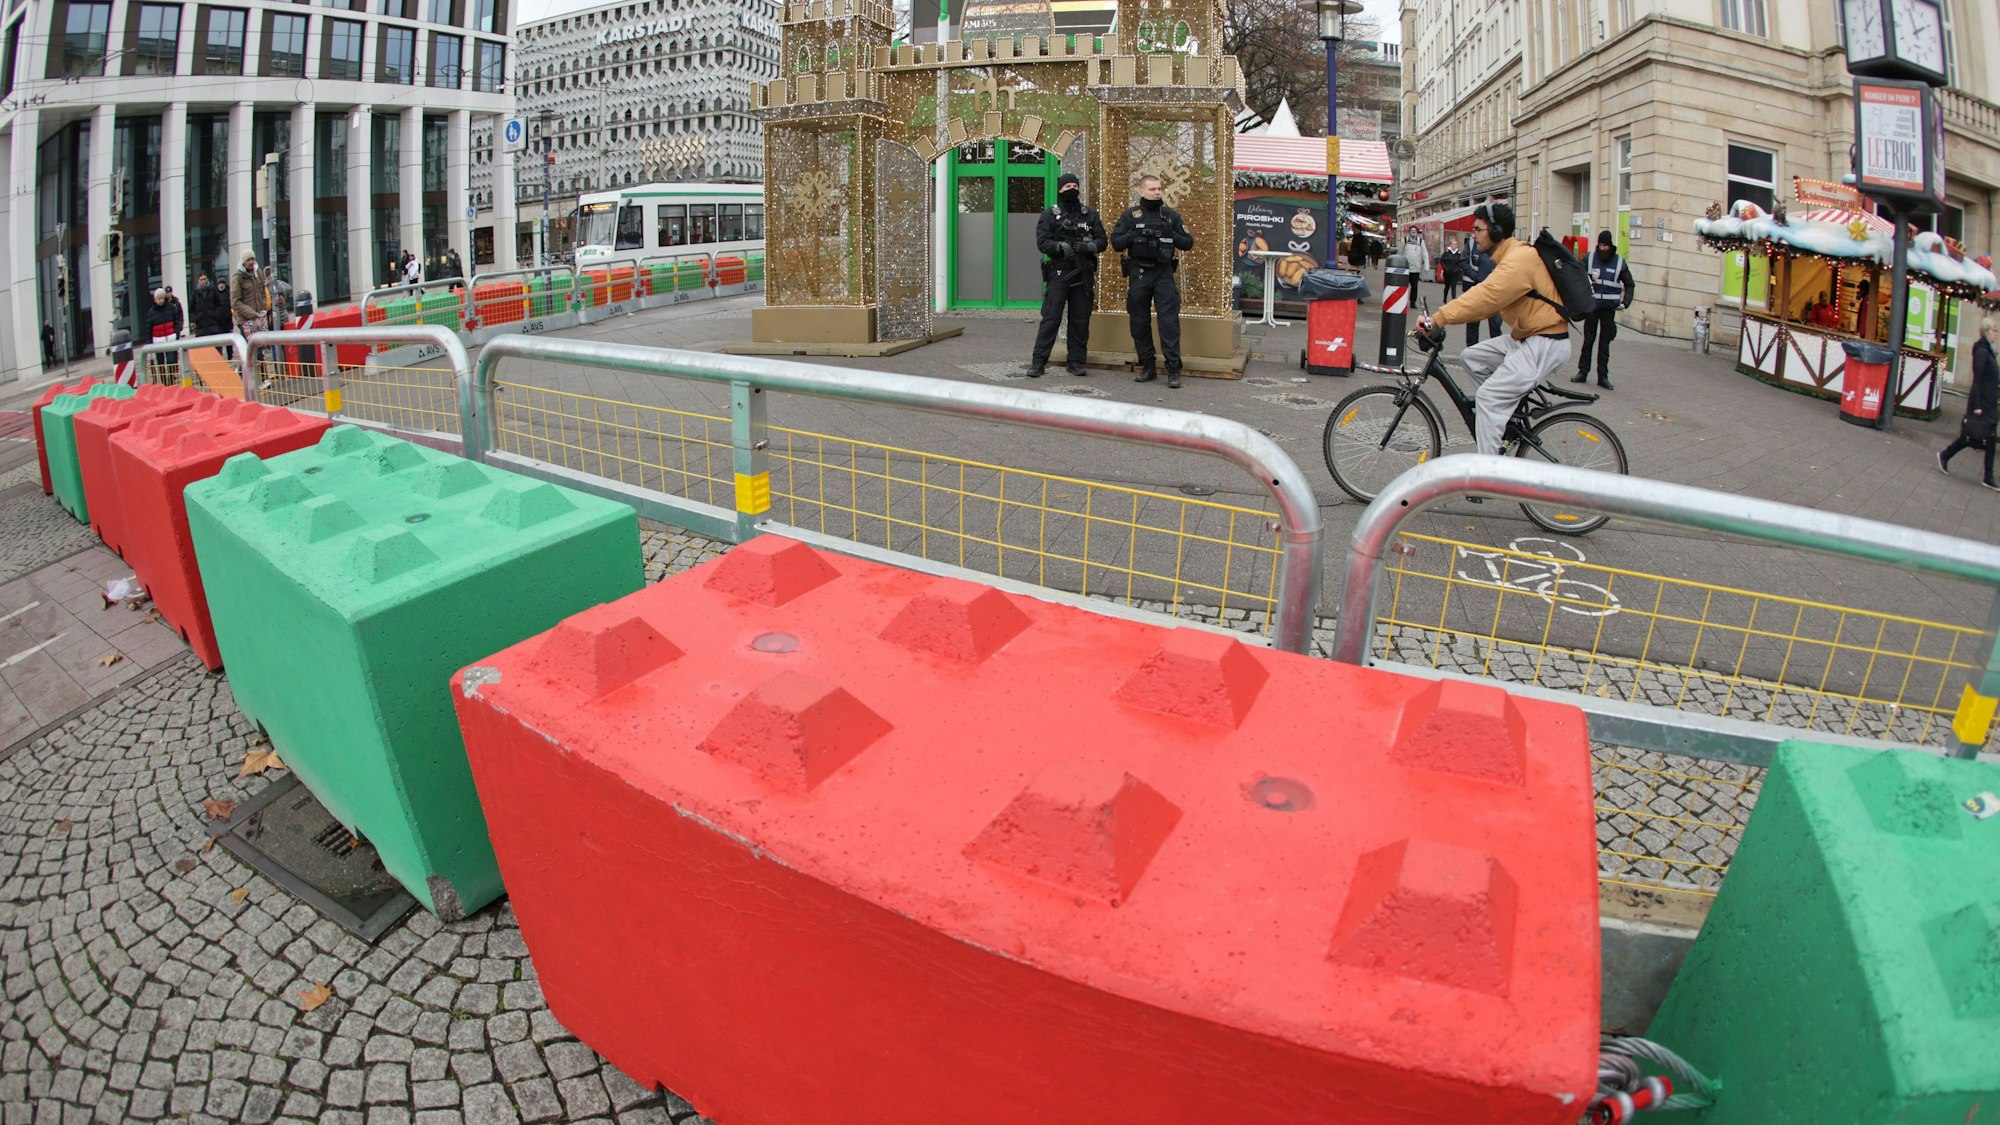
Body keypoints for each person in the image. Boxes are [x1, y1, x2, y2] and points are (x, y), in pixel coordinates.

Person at [1415, 203, 1571, 457]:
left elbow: (1485, 297)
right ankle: (1505, 416)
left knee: (1487, 398)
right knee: (1472, 357)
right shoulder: (1509, 258)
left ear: (1497, 232)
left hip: (1545, 342)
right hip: (1526, 337)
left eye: (1477, 229)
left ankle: (1488, 474)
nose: (1473, 235)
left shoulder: (1519, 260)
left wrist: (1439, 318)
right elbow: (1486, 300)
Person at [1110, 174, 1194, 388]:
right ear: (1142, 191)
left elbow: (1188, 242)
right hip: (1139, 273)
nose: (1157, 192)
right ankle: (1147, 365)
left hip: (1163, 273)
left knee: (1169, 323)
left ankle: (1173, 369)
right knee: (1139, 321)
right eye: (1152, 189)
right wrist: (1135, 233)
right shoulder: (1131, 216)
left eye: (1159, 189)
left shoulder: (1169, 216)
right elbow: (1116, 243)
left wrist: (1170, 234)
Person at [1027, 172, 1107, 378]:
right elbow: (1042, 242)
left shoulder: (1089, 214)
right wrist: (1060, 247)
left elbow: (1102, 241)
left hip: (1083, 274)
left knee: (1080, 321)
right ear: (1060, 189)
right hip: (1059, 272)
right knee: (1051, 318)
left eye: (1075, 185)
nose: (1071, 188)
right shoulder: (1050, 215)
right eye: (1067, 186)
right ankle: (1038, 362)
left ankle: (1076, 362)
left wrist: (1090, 245)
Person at [1938, 318, 1999, 491]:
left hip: (1990, 401)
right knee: (1972, 436)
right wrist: (1977, 404)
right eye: (1994, 330)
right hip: (1984, 402)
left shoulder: (1989, 351)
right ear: (1986, 331)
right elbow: (1977, 379)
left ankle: (1988, 476)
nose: (1996, 333)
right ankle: (1946, 454)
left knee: (1988, 438)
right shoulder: (1982, 351)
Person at [1571, 230, 1635, 389]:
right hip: (1592, 307)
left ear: (1610, 245)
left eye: (1605, 245)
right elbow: (1578, 275)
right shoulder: (1590, 258)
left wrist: (1625, 303)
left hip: (1608, 310)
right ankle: (1583, 372)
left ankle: (1603, 377)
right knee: (1588, 341)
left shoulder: (1619, 262)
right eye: (1600, 244)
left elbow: (1630, 284)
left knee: (1604, 344)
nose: (1602, 248)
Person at [1461, 236, 1503, 346]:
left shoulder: (1498, 241)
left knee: (1495, 325)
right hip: (1475, 288)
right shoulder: (1471, 242)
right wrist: (1476, 277)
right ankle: (1471, 352)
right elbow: (1463, 261)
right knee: (1473, 324)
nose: (1475, 232)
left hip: (1494, 290)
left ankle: (1497, 352)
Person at [232, 254, 271, 338]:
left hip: (260, 316)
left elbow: (264, 289)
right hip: (245, 320)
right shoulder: (238, 277)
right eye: (248, 260)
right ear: (243, 262)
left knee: (263, 346)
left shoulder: (258, 272)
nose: (251, 262)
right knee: (251, 348)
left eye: (252, 259)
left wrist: (263, 306)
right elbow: (235, 302)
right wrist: (252, 314)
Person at [191, 272, 232, 337]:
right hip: (201, 326)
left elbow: (219, 304)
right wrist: (194, 319)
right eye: (201, 279)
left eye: (205, 279)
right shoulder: (195, 293)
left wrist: (216, 315)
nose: (203, 281)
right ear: (198, 281)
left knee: (216, 345)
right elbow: (191, 309)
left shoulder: (213, 290)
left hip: (213, 324)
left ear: (207, 279)